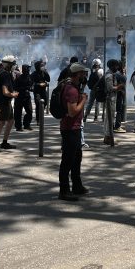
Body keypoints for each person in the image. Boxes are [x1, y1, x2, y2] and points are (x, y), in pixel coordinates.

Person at [58, 63, 89, 201]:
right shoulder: (71, 90)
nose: (85, 76)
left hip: (75, 128)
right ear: (77, 74)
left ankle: (77, 186)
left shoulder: (74, 87)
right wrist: (83, 100)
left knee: (76, 159)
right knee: (67, 161)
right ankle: (64, 191)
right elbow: (72, 112)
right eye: (83, 73)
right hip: (70, 129)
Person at [0, 56, 19, 152]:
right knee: (2, 122)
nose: (14, 66)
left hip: (6, 102)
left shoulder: (4, 73)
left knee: (10, 121)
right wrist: (13, 94)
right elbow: (5, 91)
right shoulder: (5, 74)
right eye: (13, 64)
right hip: (5, 101)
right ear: (8, 65)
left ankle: (4, 142)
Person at [13, 64, 33, 131]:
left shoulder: (30, 77)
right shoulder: (19, 78)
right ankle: (18, 127)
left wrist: (31, 88)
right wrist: (24, 88)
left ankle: (26, 124)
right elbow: (15, 87)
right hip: (19, 97)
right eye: (27, 69)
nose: (28, 70)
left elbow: (32, 85)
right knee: (18, 113)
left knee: (29, 111)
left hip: (27, 97)